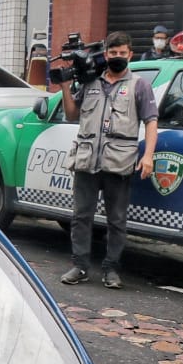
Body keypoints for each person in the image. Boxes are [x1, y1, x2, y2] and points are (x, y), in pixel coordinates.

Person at [57, 31, 158, 290]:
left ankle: (111, 269)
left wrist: (148, 156)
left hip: (119, 162)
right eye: (113, 53)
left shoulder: (139, 85)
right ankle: (80, 266)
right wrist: (65, 86)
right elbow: (71, 115)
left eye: (122, 53)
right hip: (87, 159)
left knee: (117, 220)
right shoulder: (90, 82)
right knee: (81, 216)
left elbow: (151, 121)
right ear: (106, 54)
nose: (117, 57)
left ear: (130, 55)